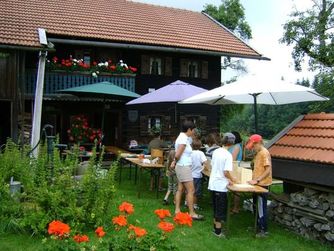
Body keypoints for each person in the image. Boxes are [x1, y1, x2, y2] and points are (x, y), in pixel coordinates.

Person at [170, 120, 203, 220]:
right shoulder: (183, 140)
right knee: (191, 190)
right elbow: (178, 154)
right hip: (184, 167)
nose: (194, 132)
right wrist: (174, 161)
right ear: (189, 129)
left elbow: (178, 153)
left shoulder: (183, 137)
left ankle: (177, 210)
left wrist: (174, 162)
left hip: (181, 166)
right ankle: (192, 213)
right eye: (193, 130)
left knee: (180, 189)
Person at [209, 133, 236, 238]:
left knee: (216, 207)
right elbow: (226, 172)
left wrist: (227, 179)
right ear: (232, 144)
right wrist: (232, 179)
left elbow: (214, 166)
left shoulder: (216, 151)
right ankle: (218, 232)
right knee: (220, 209)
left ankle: (215, 227)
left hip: (213, 183)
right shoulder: (228, 155)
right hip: (220, 186)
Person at [246, 134, 272, 238]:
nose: (252, 148)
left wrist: (257, 180)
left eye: (253, 146)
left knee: (261, 208)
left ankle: (263, 230)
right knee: (256, 206)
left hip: (262, 185)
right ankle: (257, 226)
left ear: (259, 143)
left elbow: (268, 170)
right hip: (257, 184)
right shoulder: (258, 153)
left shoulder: (264, 153)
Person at [191, 138, 207, 210]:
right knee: (195, 192)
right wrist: (203, 168)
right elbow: (205, 163)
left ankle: (186, 202)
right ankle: (194, 205)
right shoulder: (201, 153)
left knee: (189, 190)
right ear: (200, 146)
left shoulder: (190, 153)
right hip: (197, 175)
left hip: (189, 174)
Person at [229, 131, 243, 214]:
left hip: (235, 169)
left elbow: (232, 159)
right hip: (231, 169)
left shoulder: (237, 146)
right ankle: (233, 206)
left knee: (236, 190)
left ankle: (235, 208)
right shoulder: (232, 146)